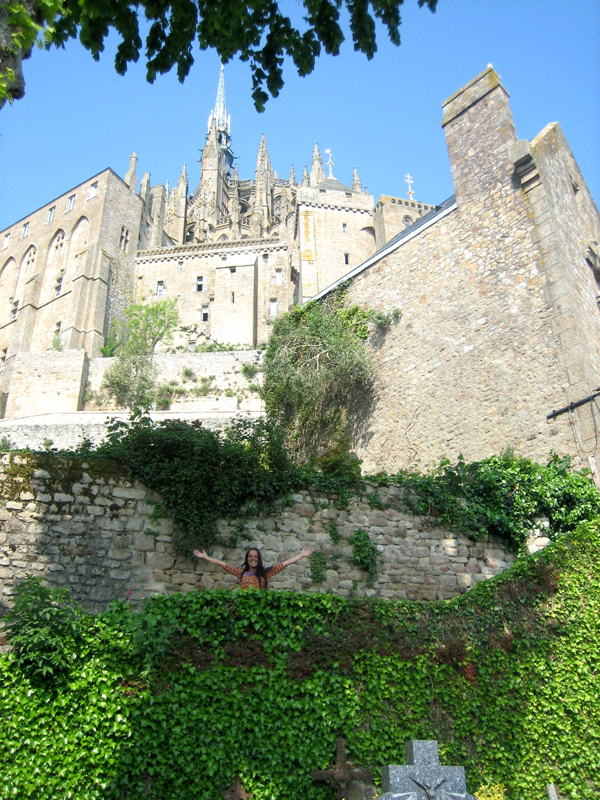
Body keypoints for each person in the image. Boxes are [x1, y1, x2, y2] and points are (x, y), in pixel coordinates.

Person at [193, 546, 314, 590]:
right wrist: (206, 557)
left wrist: (301, 555)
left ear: (259, 559)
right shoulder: (240, 573)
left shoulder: (265, 573)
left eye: (255, 557)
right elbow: (223, 564)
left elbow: (284, 564)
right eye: (250, 556)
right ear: (247, 559)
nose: (253, 558)